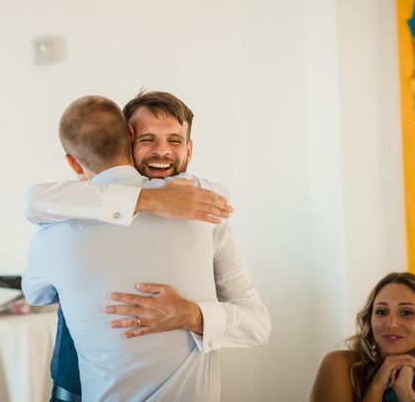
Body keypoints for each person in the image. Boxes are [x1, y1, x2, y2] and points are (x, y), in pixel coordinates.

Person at [24, 90, 270, 401]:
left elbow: (258, 325)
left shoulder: (206, 214)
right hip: (75, 385)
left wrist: (193, 315)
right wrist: (151, 199)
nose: (162, 151)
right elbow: (35, 201)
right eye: (148, 139)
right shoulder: (73, 208)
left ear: (190, 149)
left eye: (175, 141)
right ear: (127, 140)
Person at [310, 272, 415, 402]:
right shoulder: (340, 365)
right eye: (381, 312)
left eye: (406, 312)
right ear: (370, 320)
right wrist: (377, 386)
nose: (391, 324)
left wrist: (407, 396)